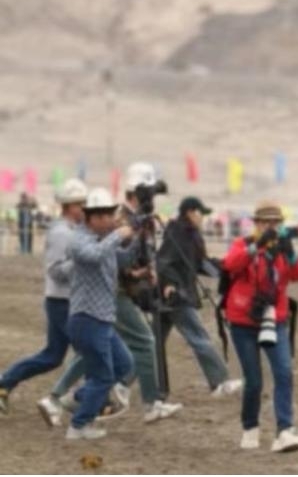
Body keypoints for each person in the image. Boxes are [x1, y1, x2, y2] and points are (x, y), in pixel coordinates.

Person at [47, 164, 182, 424]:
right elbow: (98, 254)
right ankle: (142, 401)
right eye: (149, 193)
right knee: (136, 346)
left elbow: (120, 258)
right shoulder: (107, 223)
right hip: (104, 301)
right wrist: (124, 235)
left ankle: (63, 397)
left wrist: (138, 256)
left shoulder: (127, 221)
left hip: (109, 302)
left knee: (105, 357)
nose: (151, 199)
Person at [222, 199, 298, 453]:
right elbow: (229, 265)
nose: (271, 227)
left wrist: (291, 253)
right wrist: (255, 248)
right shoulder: (244, 244)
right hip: (242, 320)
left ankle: (285, 429)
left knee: (284, 372)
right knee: (254, 380)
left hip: (275, 319)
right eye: (266, 222)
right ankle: (250, 426)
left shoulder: (282, 249)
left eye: (276, 222)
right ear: (256, 224)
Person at [0, 180, 88, 423]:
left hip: (63, 301)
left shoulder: (71, 231)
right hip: (62, 302)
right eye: (82, 204)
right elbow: (56, 271)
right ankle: (71, 401)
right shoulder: (61, 234)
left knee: (52, 356)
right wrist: (82, 263)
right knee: (88, 352)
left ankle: (4, 383)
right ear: (70, 206)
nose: (85, 209)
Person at [63, 187, 137, 440]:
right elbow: (93, 256)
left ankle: (79, 398)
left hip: (103, 319)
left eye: (110, 214)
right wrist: (118, 235)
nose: (109, 219)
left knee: (124, 364)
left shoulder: (105, 240)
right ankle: (79, 425)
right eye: (104, 215)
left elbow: (122, 258)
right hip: (87, 319)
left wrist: (138, 238)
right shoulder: (79, 241)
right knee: (103, 376)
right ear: (91, 217)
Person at [157, 196, 241, 399]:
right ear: (190, 212)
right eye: (200, 213)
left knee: (151, 344)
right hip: (177, 295)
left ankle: (120, 381)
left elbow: (200, 263)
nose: (203, 217)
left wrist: (226, 268)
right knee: (199, 337)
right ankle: (220, 382)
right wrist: (171, 285)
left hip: (173, 294)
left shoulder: (189, 234)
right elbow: (162, 262)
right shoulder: (178, 233)